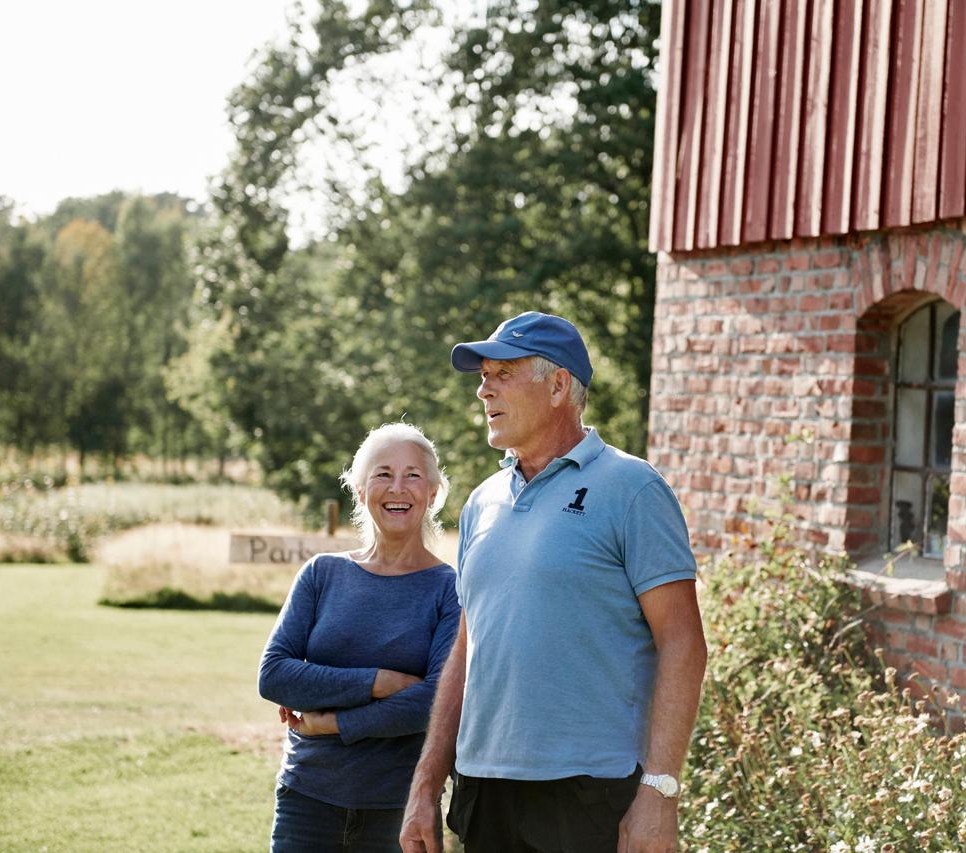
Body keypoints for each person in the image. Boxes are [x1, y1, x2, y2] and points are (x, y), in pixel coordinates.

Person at [399, 312, 708, 853]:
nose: (483, 390)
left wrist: (660, 792)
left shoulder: (633, 488)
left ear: (559, 384)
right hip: (484, 789)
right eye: (482, 375)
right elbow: (468, 649)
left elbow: (683, 642)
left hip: (589, 795)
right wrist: (426, 782)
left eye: (502, 374)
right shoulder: (482, 501)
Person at [259, 422, 461, 853]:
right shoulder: (321, 574)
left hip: (398, 809)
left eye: (412, 476)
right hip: (306, 799)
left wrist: (333, 722)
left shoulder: (450, 588)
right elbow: (275, 675)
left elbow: (436, 702)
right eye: (383, 474)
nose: (397, 488)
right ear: (359, 489)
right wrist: (379, 682)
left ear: (432, 493)